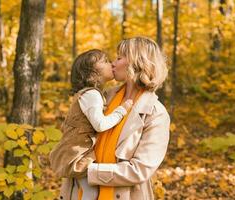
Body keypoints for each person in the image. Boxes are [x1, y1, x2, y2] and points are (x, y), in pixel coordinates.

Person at [58, 36, 171, 200]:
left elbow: (139, 170)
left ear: (136, 62)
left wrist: (87, 170)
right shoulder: (102, 97)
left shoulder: (156, 114)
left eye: (118, 58)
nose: (113, 63)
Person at [49, 49, 133, 200]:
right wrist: (121, 111)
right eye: (106, 61)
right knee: (91, 192)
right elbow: (100, 125)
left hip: (76, 150)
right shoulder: (92, 95)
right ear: (93, 71)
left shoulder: (88, 93)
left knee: (88, 190)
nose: (112, 64)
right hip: (77, 153)